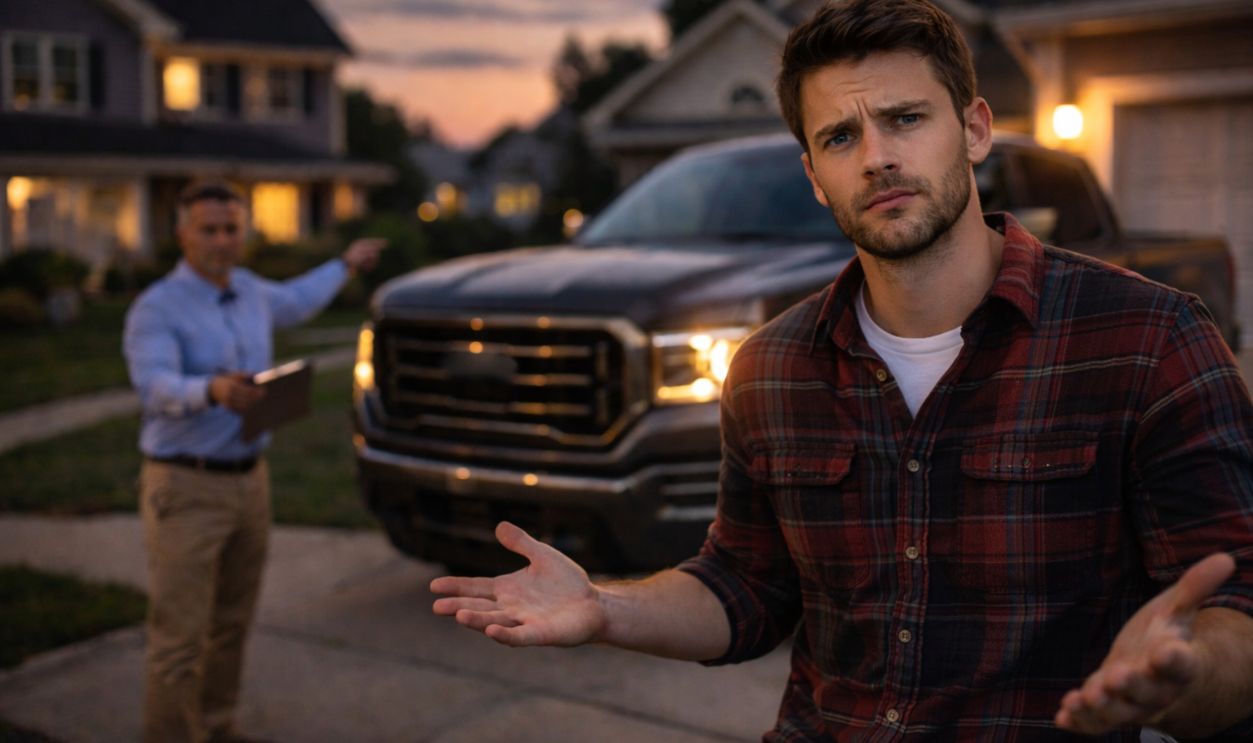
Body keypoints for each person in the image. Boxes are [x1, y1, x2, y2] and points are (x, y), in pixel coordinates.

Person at [430, 0, 1253, 740]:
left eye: (904, 119)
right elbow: (744, 587)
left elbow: (1235, 609)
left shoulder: (1147, 341)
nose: (875, 157)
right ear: (814, 177)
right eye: (839, 136)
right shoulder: (771, 369)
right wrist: (602, 608)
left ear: (972, 130)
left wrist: (1179, 674)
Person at [123, 179, 384, 743]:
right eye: (208, 230)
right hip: (187, 487)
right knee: (180, 640)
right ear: (182, 234)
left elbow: (297, 299)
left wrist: (345, 264)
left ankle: (216, 727)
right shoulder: (157, 308)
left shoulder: (249, 290)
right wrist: (210, 390)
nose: (222, 241)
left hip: (250, 483)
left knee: (232, 624)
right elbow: (153, 385)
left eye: (231, 229)